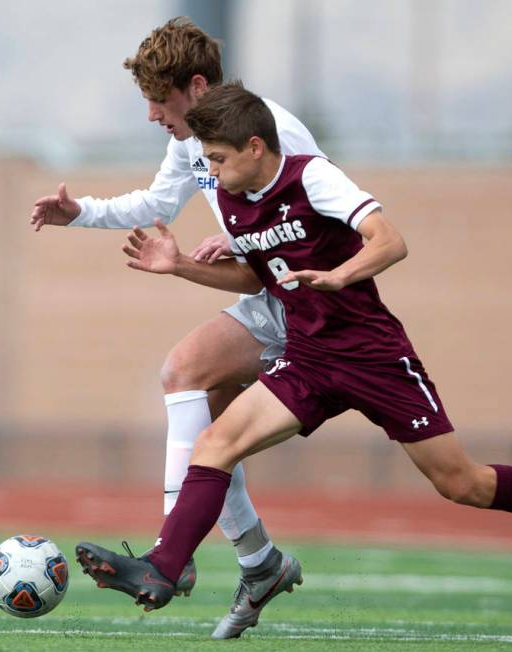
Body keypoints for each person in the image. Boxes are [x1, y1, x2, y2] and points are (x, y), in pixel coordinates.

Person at [74, 83, 512, 622]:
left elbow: (391, 240)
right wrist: (180, 266)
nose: (211, 174)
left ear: (255, 147)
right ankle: (163, 568)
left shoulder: (313, 176)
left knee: (462, 483)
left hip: (372, 355)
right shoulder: (234, 199)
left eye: (218, 159)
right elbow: (252, 278)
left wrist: (339, 277)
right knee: (215, 443)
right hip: (310, 359)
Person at [28, 18, 325, 639]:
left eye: (159, 104)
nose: (152, 117)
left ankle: (176, 555)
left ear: (195, 86)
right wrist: (80, 212)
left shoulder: (271, 130)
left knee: (457, 479)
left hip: (316, 304)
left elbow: (320, 212)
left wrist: (245, 238)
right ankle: (256, 562)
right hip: (270, 294)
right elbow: (158, 204)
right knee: (198, 396)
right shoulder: (194, 142)